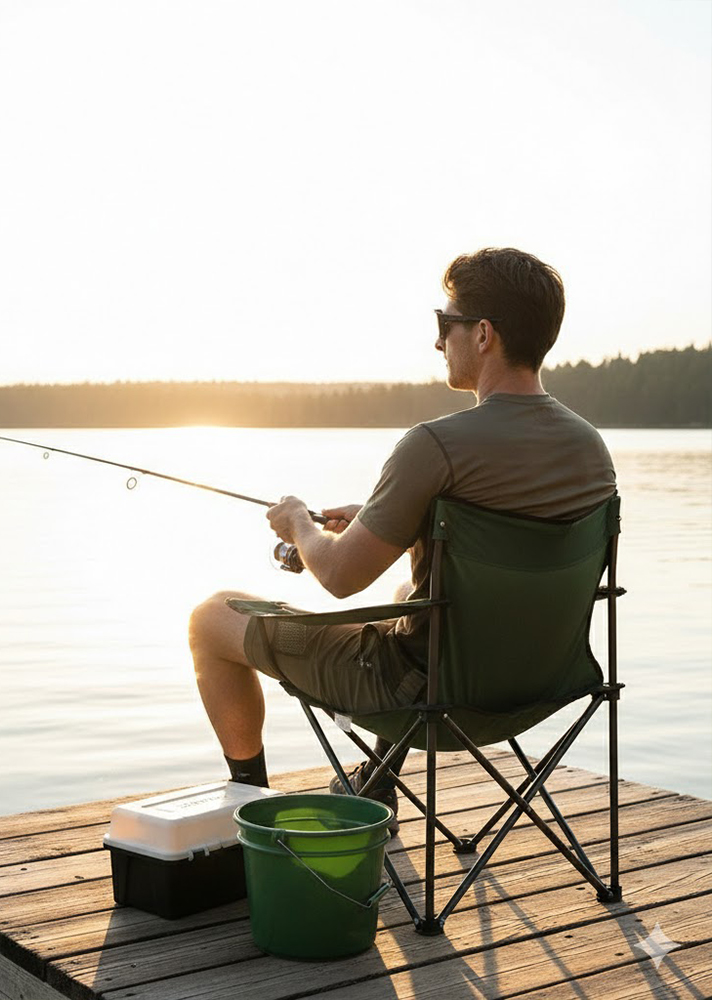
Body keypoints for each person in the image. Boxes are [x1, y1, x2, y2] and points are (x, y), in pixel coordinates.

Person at [188, 248, 617, 833]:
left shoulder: (435, 444)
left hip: (423, 698)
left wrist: (299, 525)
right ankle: (378, 782)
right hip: (537, 692)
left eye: (446, 325)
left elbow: (339, 578)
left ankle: (250, 812)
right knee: (404, 592)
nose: (439, 342)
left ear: (483, 333)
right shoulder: (591, 449)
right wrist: (383, 517)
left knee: (210, 619)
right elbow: (490, 524)